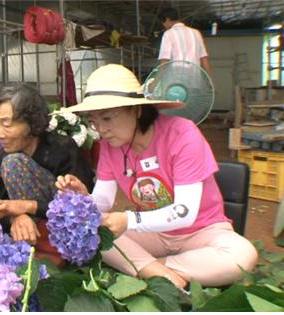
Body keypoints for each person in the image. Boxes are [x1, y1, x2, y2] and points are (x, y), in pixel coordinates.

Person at [56, 64, 257, 288]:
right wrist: (84, 198)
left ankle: (152, 270)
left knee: (242, 255)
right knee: (94, 231)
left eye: (107, 118)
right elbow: (104, 201)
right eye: (94, 121)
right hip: (154, 233)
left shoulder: (182, 134)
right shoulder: (110, 146)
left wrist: (129, 220)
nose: (101, 130)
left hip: (203, 233)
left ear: (137, 110)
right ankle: (164, 273)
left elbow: (185, 213)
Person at [0, 83, 95, 245]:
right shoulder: (1, 155)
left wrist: (25, 208)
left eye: (7, 125)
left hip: (53, 220)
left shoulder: (62, 149)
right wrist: (16, 215)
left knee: (13, 163)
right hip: (8, 222)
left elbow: (83, 203)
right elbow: (1, 200)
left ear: (31, 123)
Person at [158, 7, 213, 79]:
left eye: (163, 22)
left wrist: (154, 83)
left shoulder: (168, 34)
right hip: (195, 80)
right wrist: (210, 81)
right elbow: (204, 58)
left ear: (167, 19)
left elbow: (164, 61)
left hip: (176, 82)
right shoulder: (196, 33)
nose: (164, 25)